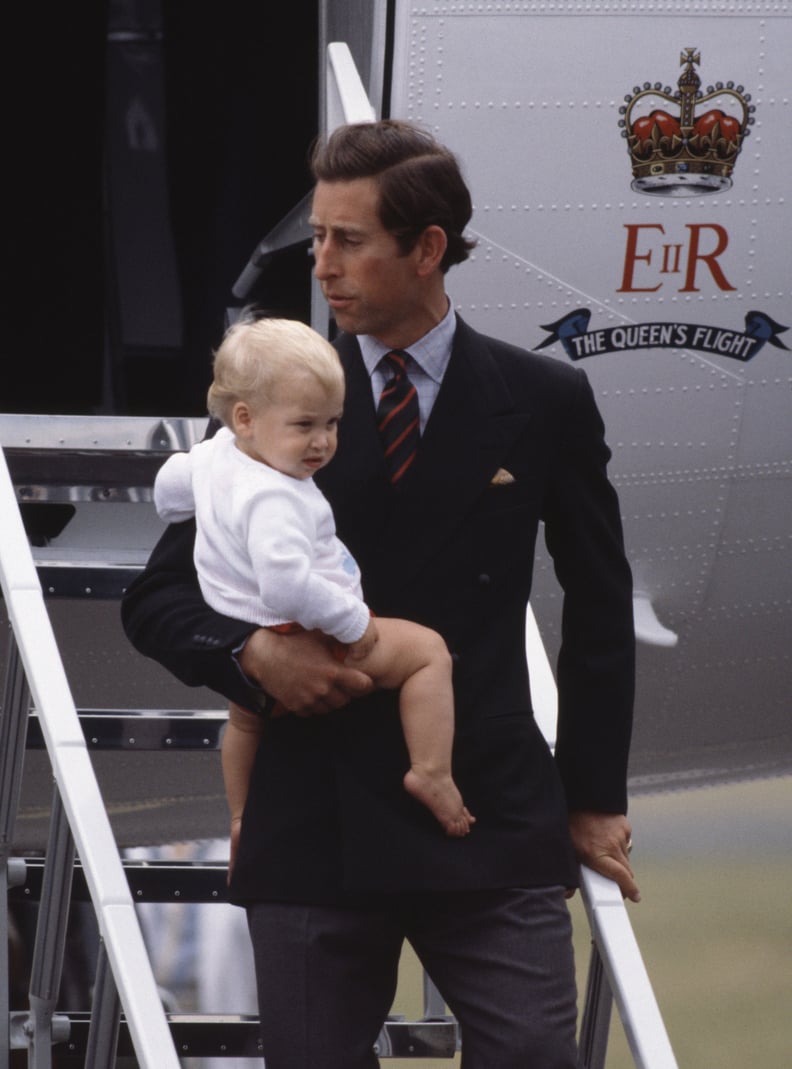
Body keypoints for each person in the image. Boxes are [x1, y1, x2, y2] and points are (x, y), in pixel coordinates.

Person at [122, 118, 639, 1069]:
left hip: (484, 807)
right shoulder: (278, 404)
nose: (322, 264)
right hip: (313, 816)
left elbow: (603, 610)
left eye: (348, 240)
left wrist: (596, 797)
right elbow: (155, 599)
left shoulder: (545, 401)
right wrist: (249, 655)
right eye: (316, 237)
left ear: (428, 248)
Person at [152, 315, 473, 841]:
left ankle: (238, 817)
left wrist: (191, 498)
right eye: (305, 425)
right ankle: (432, 770)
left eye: (333, 423)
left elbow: (168, 492)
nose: (322, 442)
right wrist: (351, 623)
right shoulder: (275, 495)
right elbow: (285, 585)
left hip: (247, 629)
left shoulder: (213, 456)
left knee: (244, 722)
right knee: (428, 653)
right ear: (246, 418)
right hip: (309, 629)